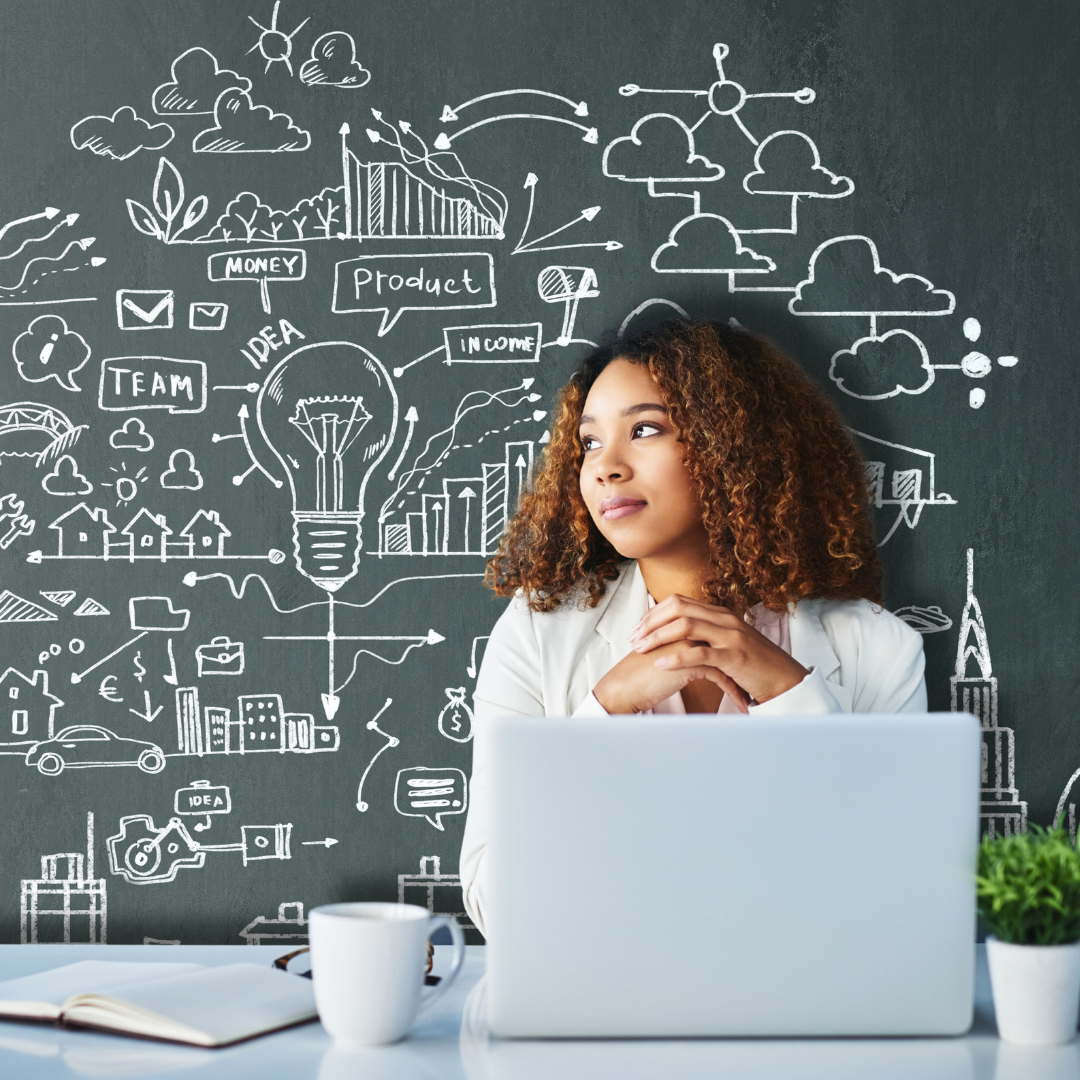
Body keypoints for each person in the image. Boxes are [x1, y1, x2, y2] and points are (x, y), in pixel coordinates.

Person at [459, 318, 926, 936]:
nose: (605, 468)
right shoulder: (534, 633)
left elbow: (899, 900)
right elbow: (500, 909)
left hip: (802, 1014)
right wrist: (605, 711)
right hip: (608, 1011)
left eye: (644, 429)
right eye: (589, 443)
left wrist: (789, 690)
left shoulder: (881, 649)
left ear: (731, 444)